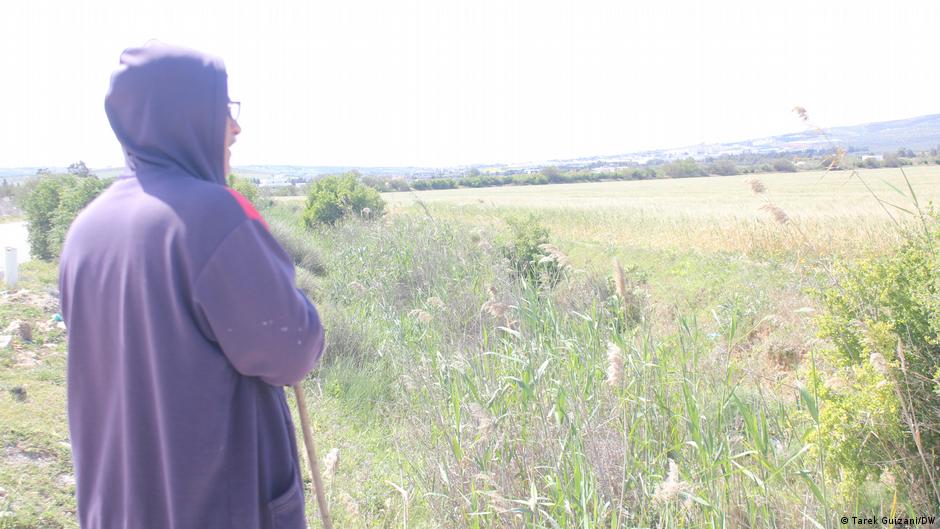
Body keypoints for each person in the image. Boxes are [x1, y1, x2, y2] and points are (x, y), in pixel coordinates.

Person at [58, 42, 325, 529]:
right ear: (186, 115)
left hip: (118, 507)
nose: (235, 128)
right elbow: (293, 350)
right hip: (212, 509)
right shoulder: (212, 218)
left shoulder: (85, 230)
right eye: (223, 108)